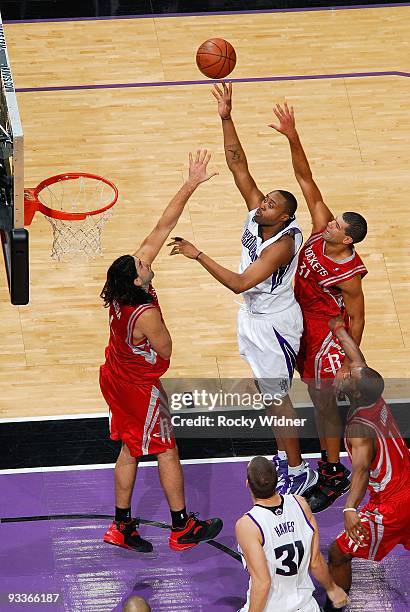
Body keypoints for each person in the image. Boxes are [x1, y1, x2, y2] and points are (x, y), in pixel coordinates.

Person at [168, 82, 317, 496]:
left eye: (271, 203)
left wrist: (198, 254)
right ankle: (287, 457)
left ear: (286, 217)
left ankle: (298, 468)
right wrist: (226, 116)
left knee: (278, 400)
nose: (263, 202)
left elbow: (237, 283)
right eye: (265, 199)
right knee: (271, 397)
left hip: (273, 323)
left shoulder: (282, 245)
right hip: (254, 316)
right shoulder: (259, 215)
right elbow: (238, 166)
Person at [99, 149, 223, 553]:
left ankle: (120, 526)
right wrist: (154, 363)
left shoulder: (123, 287)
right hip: (138, 387)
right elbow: (166, 350)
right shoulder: (145, 311)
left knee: (130, 448)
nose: (146, 260)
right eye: (142, 265)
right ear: (137, 281)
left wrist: (190, 183)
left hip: (114, 376)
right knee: (166, 448)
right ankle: (180, 527)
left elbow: (162, 224)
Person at [270, 102, 368, 512]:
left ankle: (333, 470)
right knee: (314, 395)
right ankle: (331, 463)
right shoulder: (320, 227)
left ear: (347, 240)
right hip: (301, 322)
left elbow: (358, 316)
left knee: (323, 399)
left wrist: (350, 362)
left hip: (327, 335)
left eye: (336, 227)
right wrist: (293, 136)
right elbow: (305, 179)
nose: (328, 224)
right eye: (331, 222)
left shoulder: (348, 272)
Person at [323, 316, 410, 611]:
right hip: (406, 483)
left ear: (355, 393)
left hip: (393, 504)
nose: (344, 370)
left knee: (337, 552)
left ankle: (336, 607)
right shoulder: (373, 394)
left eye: (347, 375)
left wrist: (350, 508)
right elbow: (358, 359)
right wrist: (338, 329)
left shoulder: (360, 428)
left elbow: (360, 471)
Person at [236, 456, 349, 611]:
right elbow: (315, 562)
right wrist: (332, 589)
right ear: (277, 481)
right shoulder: (301, 504)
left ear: (248, 484)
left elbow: (263, 583)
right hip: (306, 607)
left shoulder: (248, 525)